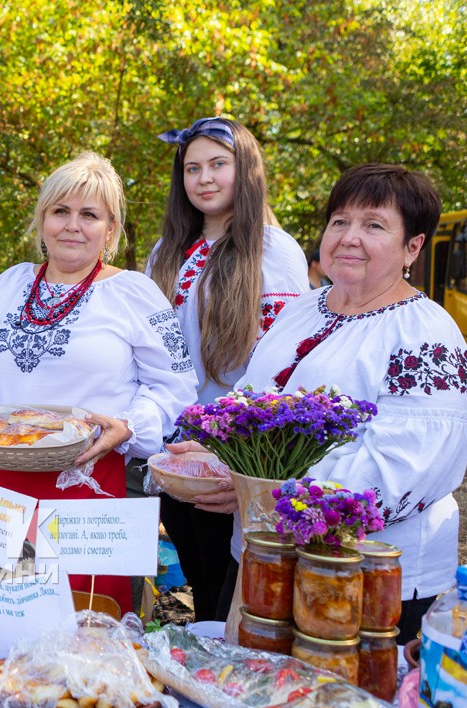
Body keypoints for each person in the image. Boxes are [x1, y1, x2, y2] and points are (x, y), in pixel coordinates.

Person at [183, 163, 467, 644]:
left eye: (374, 225)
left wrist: (262, 492)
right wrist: (213, 454)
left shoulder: (425, 334)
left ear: (413, 246)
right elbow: (250, 407)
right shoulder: (305, 307)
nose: (349, 238)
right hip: (263, 557)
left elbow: (402, 474)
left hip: (361, 582)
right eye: (340, 221)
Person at [0, 152, 198, 615]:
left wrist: (128, 424)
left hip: (87, 488)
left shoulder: (134, 294)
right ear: (42, 220)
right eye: (60, 211)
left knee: (84, 632)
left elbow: (175, 385)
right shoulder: (7, 285)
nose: (72, 226)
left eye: (89, 215)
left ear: (110, 228)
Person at [147, 116, 309, 623]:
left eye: (219, 164)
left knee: (226, 592)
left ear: (247, 170)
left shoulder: (272, 250)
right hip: (175, 451)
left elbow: (284, 368)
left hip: (230, 456)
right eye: (192, 168)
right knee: (198, 581)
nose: (204, 178)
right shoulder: (167, 251)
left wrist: (235, 456)